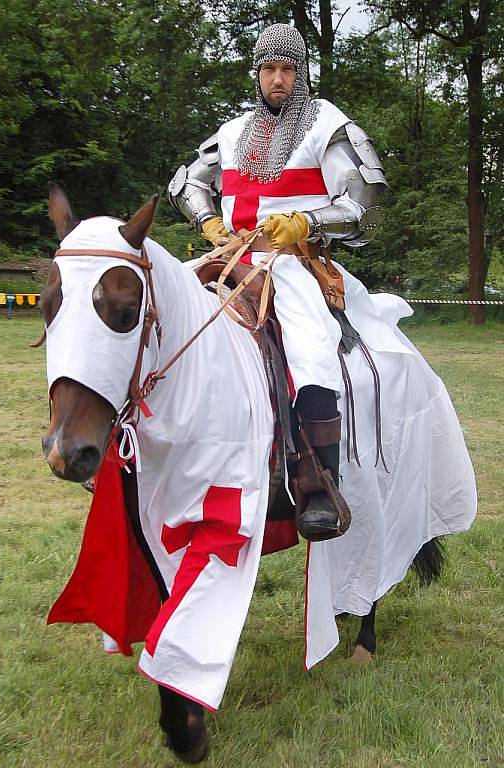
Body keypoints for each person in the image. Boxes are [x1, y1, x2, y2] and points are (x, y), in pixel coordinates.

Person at [168, 23, 388, 541]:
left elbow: (368, 202)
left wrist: (306, 223)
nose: (278, 79)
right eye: (269, 69)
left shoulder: (325, 124)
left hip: (290, 263)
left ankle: (317, 487)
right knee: (154, 309)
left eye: (288, 69)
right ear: (257, 73)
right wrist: (207, 221)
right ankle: (126, 447)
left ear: (300, 73)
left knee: (310, 348)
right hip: (228, 257)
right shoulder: (232, 130)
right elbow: (186, 182)